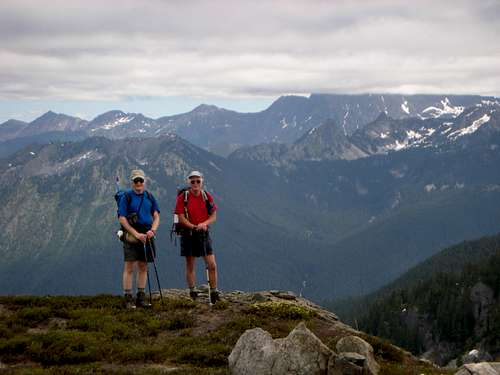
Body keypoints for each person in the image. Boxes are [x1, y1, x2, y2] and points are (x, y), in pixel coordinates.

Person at [175, 170, 220, 303]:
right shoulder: (183, 197)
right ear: (189, 182)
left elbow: (214, 215)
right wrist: (194, 227)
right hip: (188, 234)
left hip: (203, 233)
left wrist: (204, 224)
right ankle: (193, 291)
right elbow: (181, 218)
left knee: (212, 264)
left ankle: (214, 291)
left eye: (197, 181)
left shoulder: (206, 196)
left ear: (202, 182)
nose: (195, 183)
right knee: (190, 265)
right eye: (192, 181)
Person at [118, 169, 160, 309]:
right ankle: (128, 297)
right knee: (129, 266)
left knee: (143, 266)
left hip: (147, 233)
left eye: (141, 180)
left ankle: (140, 297)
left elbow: (156, 215)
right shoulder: (126, 197)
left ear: (144, 181)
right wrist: (136, 234)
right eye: (136, 181)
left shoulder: (149, 196)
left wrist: (153, 230)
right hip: (131, 234)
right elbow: (122, 218)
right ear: (132, 182)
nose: (138, 183)